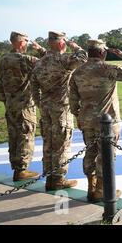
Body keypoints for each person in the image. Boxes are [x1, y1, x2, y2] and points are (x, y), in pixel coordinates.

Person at [69, 40, 122, 202]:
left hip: (86, 121)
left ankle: (91, 187)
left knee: (90, 152)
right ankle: (102, 190)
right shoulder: (108, 68)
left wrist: (78, 116)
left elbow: (73, 100)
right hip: (107, 122)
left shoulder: (78, 72)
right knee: (106, 156)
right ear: (103, 53)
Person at [31, 31, 87, 191]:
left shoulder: (40, 63)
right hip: (61, 108)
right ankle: (58, 179)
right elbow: (83, 58)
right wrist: (76, 47)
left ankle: (49, 176)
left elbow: (34, 88)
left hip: (46, 108)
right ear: (62, 43)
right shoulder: (63, 60)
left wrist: (40, 104)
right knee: (61, 143)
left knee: (48, 142)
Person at [0, 32, 46, 181]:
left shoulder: (3, 59)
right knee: (26, 136)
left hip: (10, 105)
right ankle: (21, 170)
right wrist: (40, 49)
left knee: (14, 136)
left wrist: (4, 100)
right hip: (24, 105)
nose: (27, 44)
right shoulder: (25, 59)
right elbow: (48, 63)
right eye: (25, 41)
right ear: (19, 43)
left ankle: (16, 167)